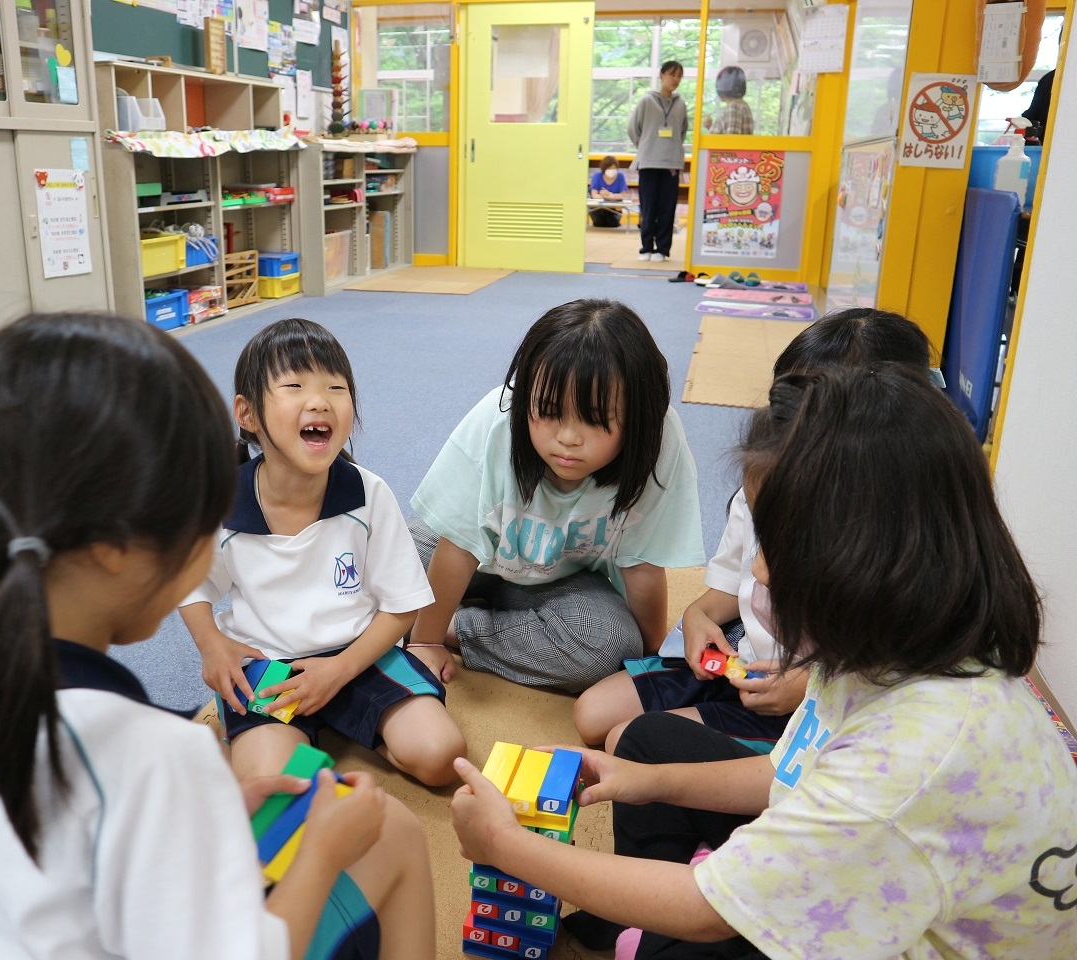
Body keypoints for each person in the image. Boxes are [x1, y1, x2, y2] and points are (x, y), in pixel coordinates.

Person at [451, 364, 1077, 959]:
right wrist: (647, 780)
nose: (757, 570)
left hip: (888, 915)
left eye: (776, 546)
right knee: (647, 743)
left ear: (864, 557)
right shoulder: (897, 645)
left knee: (676, 943)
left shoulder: (910, 763)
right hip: (873, 864)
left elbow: (705, 910)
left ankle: (647, 918)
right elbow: (788, 770)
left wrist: (505, 845)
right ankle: (635, 904)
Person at [0, 313, 437, 960]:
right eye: (201, 520)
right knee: (397, 834)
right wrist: (323, 850)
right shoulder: (160, 752)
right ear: (116, 548)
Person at [572, 308, 935, 752]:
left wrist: (805, 685)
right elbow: (737, 582)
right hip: (747, 659)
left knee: (628, 745)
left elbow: (895, 668)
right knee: (593, 716)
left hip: (818, 699)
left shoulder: (895, 529)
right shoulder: (764, 479)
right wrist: (696, 617)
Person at [179, 318, 466, 788]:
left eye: (336, 387)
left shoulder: (368, 493)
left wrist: (337, 672)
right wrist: (211, 644)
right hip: (269, 666)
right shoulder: (223, 501)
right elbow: (188, 583)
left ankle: (355, 723)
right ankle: (317, 740)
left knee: (441, 756)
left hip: (360, 654)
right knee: (271, 785)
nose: (320, 400)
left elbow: (402, 606)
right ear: (247, 414)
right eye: (293, 385)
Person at [407, 299, 705, 691]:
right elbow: (458, 546)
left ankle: (458, 625)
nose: (567, 438)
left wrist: (653, 657)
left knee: (612, 644)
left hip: (559, 580)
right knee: (372, 560)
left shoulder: (657, 442)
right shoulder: (497, 421)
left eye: (595, 420)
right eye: (548, 412)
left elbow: (642, 564)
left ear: (638, 418)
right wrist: (423, 642)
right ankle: (433, 618)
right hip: (466, 555)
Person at [628, 61, 689, 262]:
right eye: (672, 74)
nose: (676, 79)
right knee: (648, 208)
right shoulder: (646, 101)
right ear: (661, 75)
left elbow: (682, 132)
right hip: (648, 162)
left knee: (667, 209)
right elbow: (633, 129)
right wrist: (646, 146)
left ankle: (662, 249)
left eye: (679, 75)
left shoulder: (681, 104)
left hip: (671, 163)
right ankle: (646, 247)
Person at [703, 66, 753, 136]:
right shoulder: (742, 105)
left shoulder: (733, 107)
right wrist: (710, 126)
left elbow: (731, 139)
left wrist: (711, 128)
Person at [589, 155, 629, 229]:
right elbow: (594, 194)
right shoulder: (597, 176)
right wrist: (607, 197)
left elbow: (623, 194)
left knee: (613, 223)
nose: (612, 170)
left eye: (614, 168)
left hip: (614, 208)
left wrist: (610, 195)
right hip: (598, 208)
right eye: (609, 168)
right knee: (598, 223)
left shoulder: (620, 176)